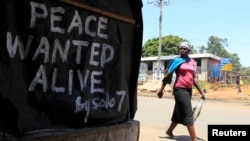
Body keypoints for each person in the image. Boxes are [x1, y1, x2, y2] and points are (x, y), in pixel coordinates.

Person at [157, 41, 206, 141]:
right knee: (188, 113)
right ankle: (194, 139)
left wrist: (201, 92)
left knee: (178, 112)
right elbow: (168, 76)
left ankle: (169, 131)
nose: (182, 50)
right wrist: (161, 90)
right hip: (179, 89)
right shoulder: (176, 61)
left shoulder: (192, 61)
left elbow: (193, 78)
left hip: (188, 90)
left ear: (189, 50)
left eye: (185, 48)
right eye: (181, 48)